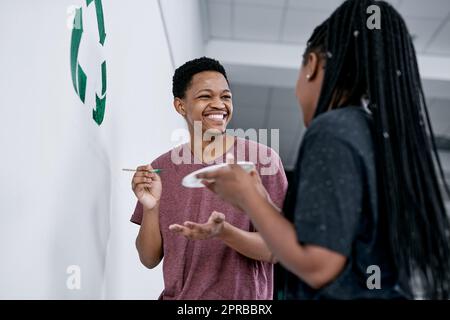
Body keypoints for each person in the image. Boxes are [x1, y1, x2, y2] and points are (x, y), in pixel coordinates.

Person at [198, 0, 450, 299]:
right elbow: (337, 238)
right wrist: (262, 200)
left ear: (312, 66)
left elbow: (319, 265)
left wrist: (249, 198)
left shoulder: (333, 129)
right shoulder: (374, 135)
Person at [130, 57, 288, 300]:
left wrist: (223, 232)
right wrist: (151, 208)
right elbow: (148, 259)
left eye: (225, 97)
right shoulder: (160, 168)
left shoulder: (263, 161)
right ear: (180, 106)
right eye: (205, 96)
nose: (219, 105)